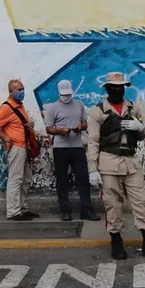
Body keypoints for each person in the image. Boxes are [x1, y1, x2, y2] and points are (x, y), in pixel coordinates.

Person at [87, 71, 145, 261]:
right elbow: (93, 141)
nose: (117, 90)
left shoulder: (133, 108)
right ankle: (116, 242)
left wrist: (140, 128)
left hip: (131, 162)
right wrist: (92, 169)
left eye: (120, 87)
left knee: (142, 201)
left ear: (124, 88)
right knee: (112, 204)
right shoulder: (97, 111)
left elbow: (141, 135)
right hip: (108, 162)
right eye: (113, 87)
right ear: (107, 89)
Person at [45, 80, 99, 222]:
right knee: (62, 180)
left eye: (68, 94)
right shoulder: (52, 108)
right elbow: (48, 128)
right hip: (60, 148)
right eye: (64, 94)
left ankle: (86, 210)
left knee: (83, 179)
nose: (66, 97)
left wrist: (80, 127)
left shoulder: (79, 105)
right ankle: (65, 211)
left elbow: (85, 123)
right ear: (59, 93)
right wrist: (60, 131)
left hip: (77, 147)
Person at [0, 79, 39, 221]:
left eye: (22, 88)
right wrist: (6, 138)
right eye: (18, 89)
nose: (22, 92)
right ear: (10, 92)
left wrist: (30, 124)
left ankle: (23, 208)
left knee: (26, 179)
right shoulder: (6, 107)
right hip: (16, 147)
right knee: (15, 179)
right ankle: (13, 211)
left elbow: (18, 124)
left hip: (24, 147)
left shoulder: (19, 105)